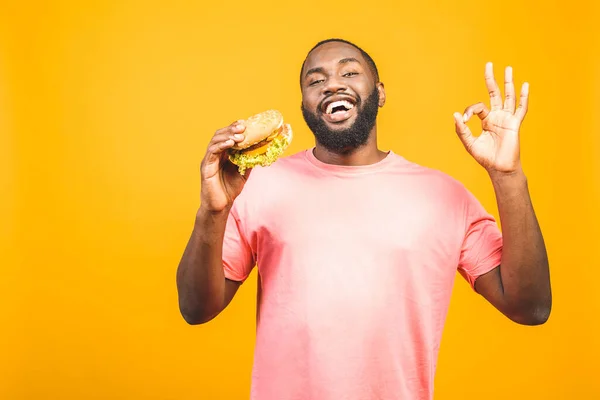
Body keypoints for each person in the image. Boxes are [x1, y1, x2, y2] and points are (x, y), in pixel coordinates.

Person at [175, 38, 552, 400]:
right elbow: (196, 308)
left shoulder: (444, 197)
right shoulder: (257, 185)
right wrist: (213, 212)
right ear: (304, 103)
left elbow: (530, 307)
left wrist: (508, 177)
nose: (332, 84)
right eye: (316, 80)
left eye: (349, 72)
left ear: (380, 92)